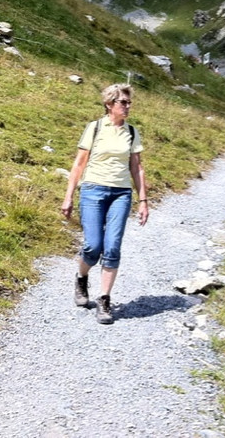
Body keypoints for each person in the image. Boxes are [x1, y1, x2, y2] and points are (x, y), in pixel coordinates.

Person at [60, 83, 149, 324]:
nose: (127, 106)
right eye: (123, 102)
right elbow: (79, 164)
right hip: (92, 191)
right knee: (93, 246)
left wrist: (143, 200)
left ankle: (104, 300)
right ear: (109, 104)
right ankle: (81, 277)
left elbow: (136, 167)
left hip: (121, 193)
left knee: (112, 248)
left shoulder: (131, 131)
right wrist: (68, 196)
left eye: (129, 103)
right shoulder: (95, 127)